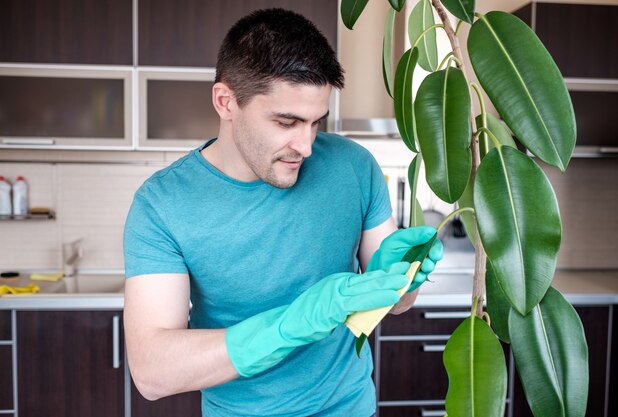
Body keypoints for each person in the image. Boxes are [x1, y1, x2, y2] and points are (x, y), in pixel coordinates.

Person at [123, 8, 443, 417]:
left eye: (315, 122)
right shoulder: (163, 205)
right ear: (226, 102)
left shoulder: (354, 167)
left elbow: (396, 303)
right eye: (286, 121)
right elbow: (153, 372)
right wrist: (293, 323)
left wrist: (401, 277)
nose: (306, 146)